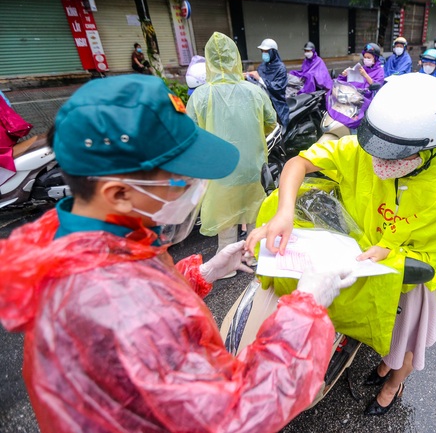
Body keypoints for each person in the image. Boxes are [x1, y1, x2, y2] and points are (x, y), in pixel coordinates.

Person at [0, 74, 357, 433]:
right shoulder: (119, 306)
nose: (196, 189)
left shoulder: (83, 237)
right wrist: (306, 308)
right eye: (182, 179)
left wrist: (204, 274)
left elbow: (149, 309)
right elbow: (237, 416)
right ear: (119, 193)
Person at [246, 73, 436, 417]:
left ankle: (394, 381)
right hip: (357, 251)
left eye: (392, 156)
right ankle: (381, 366)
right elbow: (298, 164)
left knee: (405, 336)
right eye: (376, 148)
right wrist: (285, 210)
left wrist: (392, 254)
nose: (379, 163)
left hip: (410, 273)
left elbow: (433, 258)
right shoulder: (359, 152)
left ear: (430, 149)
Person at [186, 33, 277, 261]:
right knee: (255, 210)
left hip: (220, 171)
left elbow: (189, 132)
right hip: (252, 166)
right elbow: (270, 122)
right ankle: (253, 255)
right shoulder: (254, 91)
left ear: (209, 62)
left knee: (225, 218)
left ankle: (227, 260)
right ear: (235, 58)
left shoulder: (199, 96)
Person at [330, 43, 385, 132]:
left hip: (368, 99)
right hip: (355, 96)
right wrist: (345, 75)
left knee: (356, 119)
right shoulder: (361, 68)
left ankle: (356, 134)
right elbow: (352, 82)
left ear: (375, 58)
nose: (366, 59)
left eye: (369, 58)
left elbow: (377, 85)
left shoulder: (379, 71)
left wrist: (365, 75)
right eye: (365, 57)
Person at [247, 38, 290, 127]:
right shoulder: (262, 66)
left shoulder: (280, 68)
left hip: (275, 102)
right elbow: (256, 83)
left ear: (273, 52)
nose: (264, 54)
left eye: (266, 51)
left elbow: (278, 87)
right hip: (261, 101)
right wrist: (248, 76)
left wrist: (260, 79)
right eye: (262, 51)